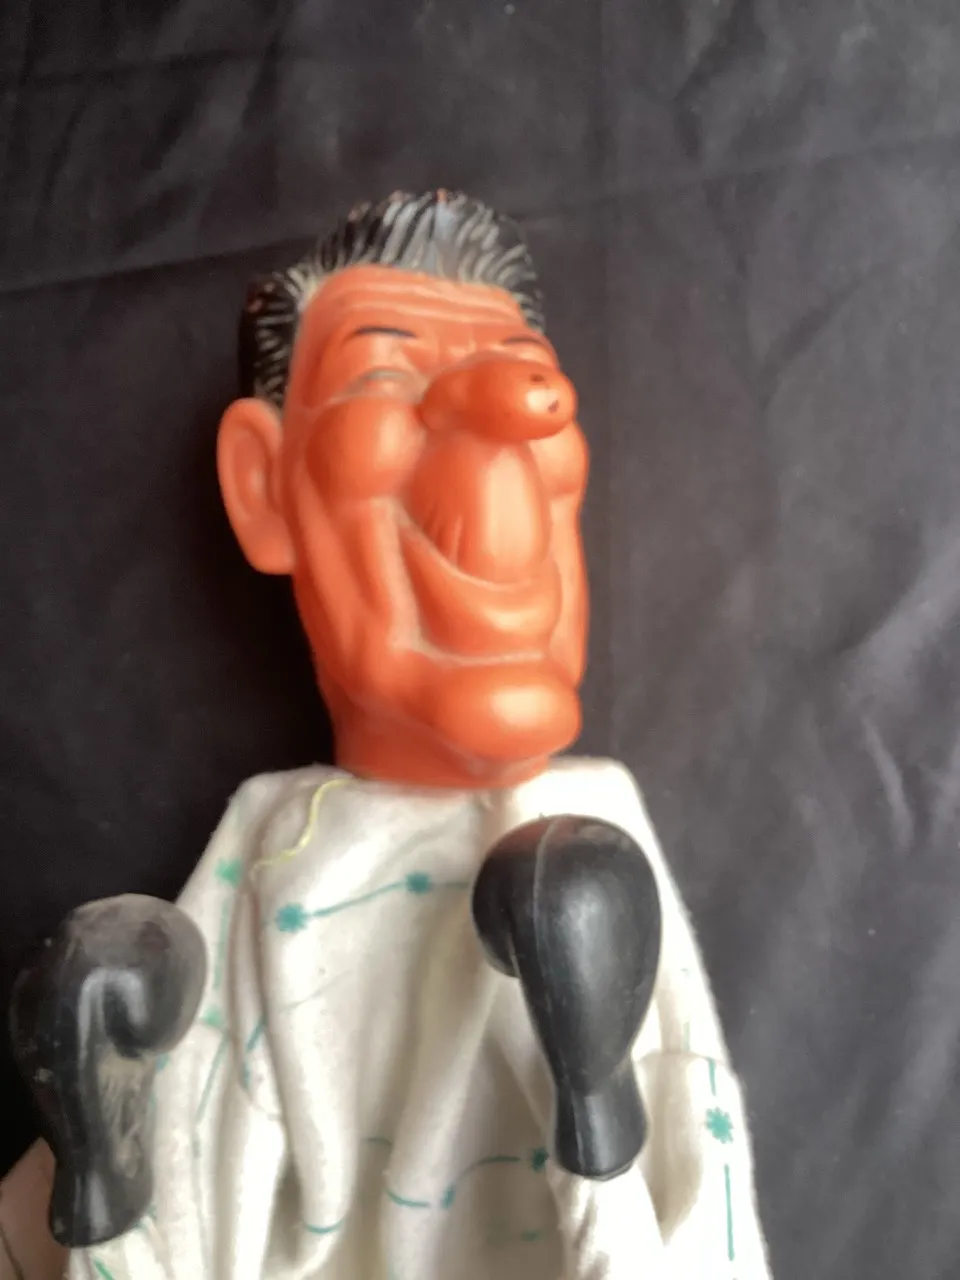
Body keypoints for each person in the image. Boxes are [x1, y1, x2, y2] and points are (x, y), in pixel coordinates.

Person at [7, 191, 771, 1280]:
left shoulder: (596, 834)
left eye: (525, 373)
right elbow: (214, 1135)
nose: (514, 410)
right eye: (388, 380)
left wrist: (599, 1113)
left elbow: (702, 1191)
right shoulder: (271, 847)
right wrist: (107, 1173)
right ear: (265, 485)